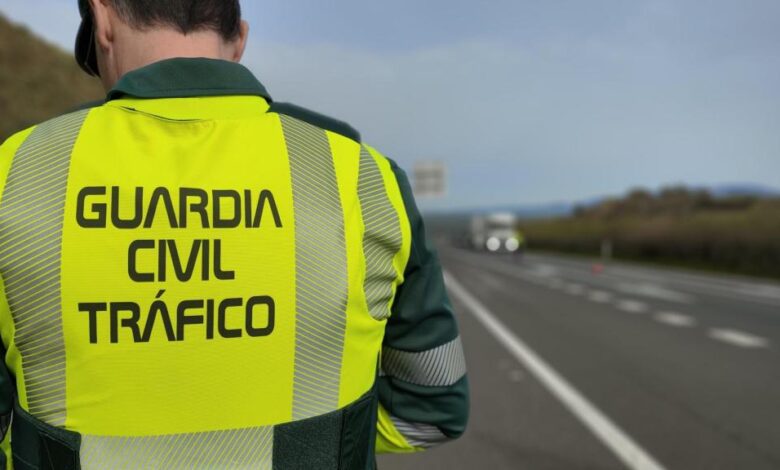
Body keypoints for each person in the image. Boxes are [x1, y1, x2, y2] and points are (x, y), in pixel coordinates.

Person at [0, 0, 469, 468]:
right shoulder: (365, 180)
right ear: (239, 38)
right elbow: (431, 409)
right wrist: (335, 444)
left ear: (102, 20)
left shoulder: (16, 177)